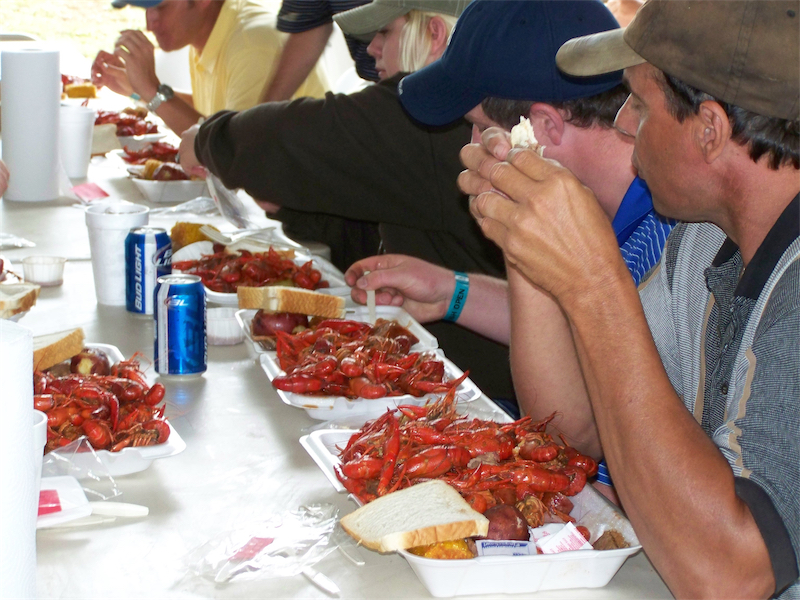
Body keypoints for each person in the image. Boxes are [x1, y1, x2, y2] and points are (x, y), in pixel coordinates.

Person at [459, 1, 799, 597]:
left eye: (639, 102)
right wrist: (529, 243)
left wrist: (594, 285)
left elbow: (731, 576)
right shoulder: (701, 237)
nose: (620, 123)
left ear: (710, 129)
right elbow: (572, 433)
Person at [345, 0, 674, 425]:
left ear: (543, 128)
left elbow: (559, 428)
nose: (472, 143)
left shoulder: (668, 237)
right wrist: (451, 292)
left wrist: (517, 238)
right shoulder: (612, 203)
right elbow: (575, 330)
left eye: (480, 126)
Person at [177, 0, 521, 402]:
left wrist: (206, 138)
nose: (372, 48)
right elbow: (373, 226)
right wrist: (292, 204)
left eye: (385, 32)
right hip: (438, 373)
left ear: (434, 35)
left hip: (486, 395)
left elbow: (288, 137)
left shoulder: (429, 120)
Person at [91, 0, 328, 135]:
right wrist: (138, 90)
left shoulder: (251, 44)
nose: (149, 24)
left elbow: (234, 150)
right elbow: (216, 116)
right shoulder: (208, 32)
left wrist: (153, 91)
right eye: (145, 9)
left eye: (160, 8)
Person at [260, 0, 378, 103]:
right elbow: (308, 27)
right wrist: (262, 118)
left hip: (391, 83)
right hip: (377, 88)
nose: (373, 47)